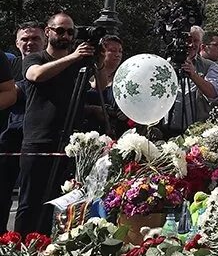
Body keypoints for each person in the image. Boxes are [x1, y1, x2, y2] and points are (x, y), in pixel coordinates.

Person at [16, 12, 93, 234]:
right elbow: (36, 75)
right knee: (30, 201)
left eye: (70, 32)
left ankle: (49, 247)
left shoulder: (78, 64)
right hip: (39, 140)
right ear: (48, 31)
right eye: (60, 30)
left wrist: (95, 59)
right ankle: (19, 247)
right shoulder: (36, 57)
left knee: (60, 202)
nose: (65, 36)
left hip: (69, 141)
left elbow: (100, 83)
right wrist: (74, 57)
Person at [0, 22, 44, 233]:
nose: (30, 43)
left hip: (40, 143)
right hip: (9, 140)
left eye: (35, 38)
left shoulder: (51, 65)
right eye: (25, 39)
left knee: (32, 201)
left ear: (44, 40)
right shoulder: (10, 66)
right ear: (17, 43)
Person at [165, 26, 218, 135]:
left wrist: (194, 75)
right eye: (187, 40)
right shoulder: (165, 65)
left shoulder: (209, 66)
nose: (191, 44)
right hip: (166, 130)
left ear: (201, 43)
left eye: (195, 41)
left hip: (197, 132)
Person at [82, 35, 126, 136]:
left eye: (120, 51)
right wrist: (93, 109)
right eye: (112, 50)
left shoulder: (124, 80)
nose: (117, 54)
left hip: (116, 132)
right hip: (87, 131)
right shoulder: (85, 75)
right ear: (101, 52)